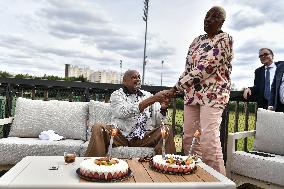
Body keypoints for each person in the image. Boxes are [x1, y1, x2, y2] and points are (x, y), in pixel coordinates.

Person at [161, 6, 233, 175]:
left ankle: (219, 182)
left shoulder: (225, 39)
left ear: (222, 22)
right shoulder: (196, 41)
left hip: (213, 94)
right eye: (207, 16)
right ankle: (194, 176)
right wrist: (178, 85)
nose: (209, 20)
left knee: (209, 139)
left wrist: (176, 88)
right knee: (189, 137)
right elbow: (188, 68)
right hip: (192, 94)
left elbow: (206, 68)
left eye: (214, 17)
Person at [85, 70, 176, 157]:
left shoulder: (148, 95)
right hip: (120, 136)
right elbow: (122, 112)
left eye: (139, 77)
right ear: (124, 81)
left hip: (144, 137)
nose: (138, 79)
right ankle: (91, 167)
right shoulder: (117, 95)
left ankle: (166, 167)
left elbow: (158, 122)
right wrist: (151, 100)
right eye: (133, 77)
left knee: (166, 129)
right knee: (98, 127)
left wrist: (163, 109)